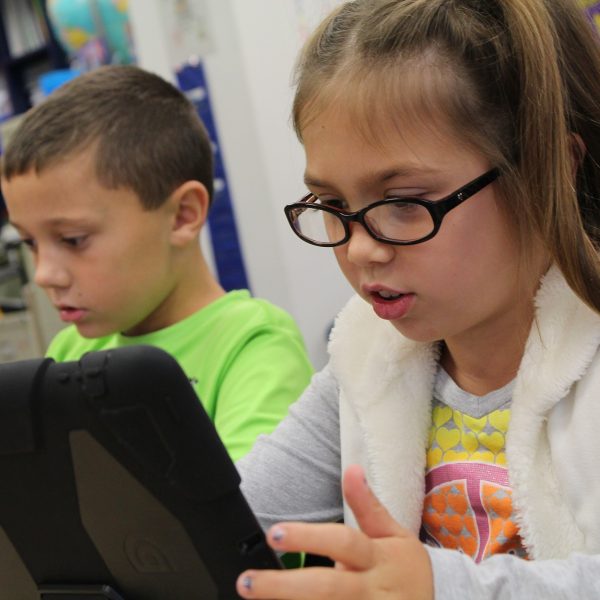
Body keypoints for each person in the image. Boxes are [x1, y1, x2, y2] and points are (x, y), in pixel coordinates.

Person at [234, 0, 600, 597]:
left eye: (404, 202)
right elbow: (234, 527)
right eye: (331, 207)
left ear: (547, 170)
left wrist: (440, 587)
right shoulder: (367, 358)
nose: (359, 250)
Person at [1, 65, 313, 462]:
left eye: (73, 240)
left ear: (183, 215)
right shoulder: (70, 350)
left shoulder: (251, 344)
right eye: (30, 242)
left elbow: (244, 513)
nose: (45, 273)